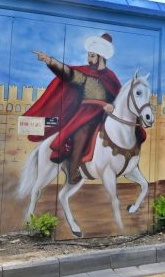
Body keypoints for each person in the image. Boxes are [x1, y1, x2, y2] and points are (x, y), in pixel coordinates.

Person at [25, 33, 121, 184]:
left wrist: (112, 106)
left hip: (105, 114)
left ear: (101, 57)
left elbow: (119, 97)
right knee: (82, 132)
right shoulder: (85, 75)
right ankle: (73, 168)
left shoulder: (111, 77)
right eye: (89, 56)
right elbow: (68, 73)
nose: (89, 59)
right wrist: (49, 60)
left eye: (92, 56)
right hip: (86, 113)